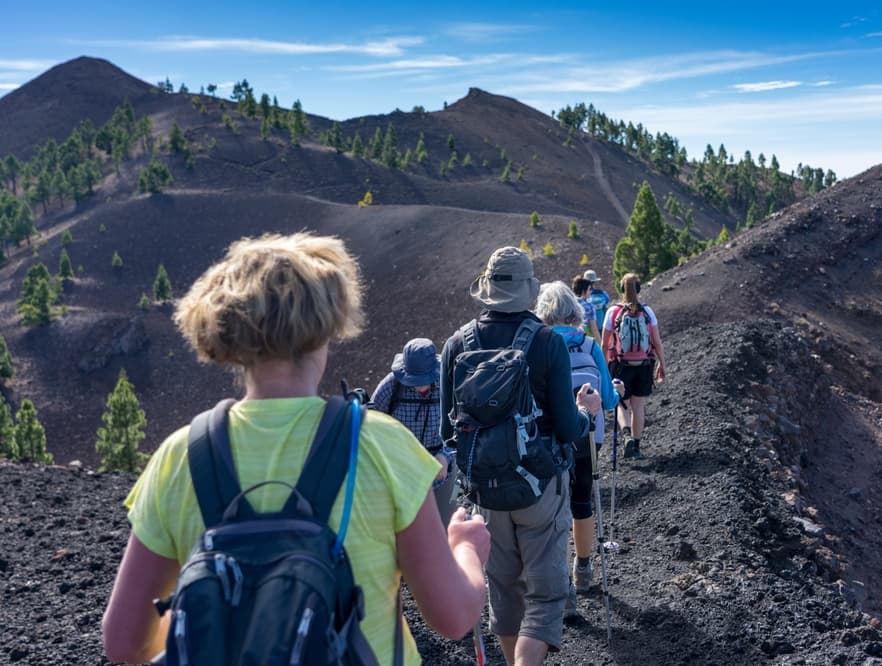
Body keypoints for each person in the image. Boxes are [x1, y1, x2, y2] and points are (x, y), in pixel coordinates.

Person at [102, 232, 490, 665]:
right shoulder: (379, 445)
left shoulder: (179, 457)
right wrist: (467, 547)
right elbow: (453, 617)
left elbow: (123, 643)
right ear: (326, 324)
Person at [440, 246, 601, 666]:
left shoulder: (457, 344)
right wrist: (587, 413)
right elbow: (568, 428)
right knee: (545, 598)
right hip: (540, 488)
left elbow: (446, 432)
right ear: (529, 292)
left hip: (485, 494)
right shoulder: (547, 343)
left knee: (505, 595)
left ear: (488, 290)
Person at [533, 281, 623, 618]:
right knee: (581, 501)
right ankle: (583, 569)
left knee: (553, 508)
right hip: (587, 436)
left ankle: (563, 589)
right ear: (575, 310)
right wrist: (615, 388)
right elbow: (610, 401)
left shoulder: (538, 345)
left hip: (549, 438)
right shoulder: (588, 344)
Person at [371, 337, 456, 525]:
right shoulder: (391, 386)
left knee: (444, 527)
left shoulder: (448, 384)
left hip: (440, 471)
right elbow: (371, 426)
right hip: (401, 473)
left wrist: (446, 456)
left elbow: (463, 429)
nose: (418, 385)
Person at [600, 273, 666, 460]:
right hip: (644, 365)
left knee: (622, 404)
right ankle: (636, 447)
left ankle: (627, 435)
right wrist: (662, 364)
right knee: (639, 406)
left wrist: (604, 367)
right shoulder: (647, 312)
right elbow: (657, 341)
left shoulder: (612, 312)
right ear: (638, 289)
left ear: (621, 289)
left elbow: (605, 344)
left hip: (620, 365)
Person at [571, 274, 601, 340]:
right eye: (589, 289)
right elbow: (594, 329)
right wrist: (601, 345)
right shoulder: (588, 306)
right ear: (583, 291)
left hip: (571, 337)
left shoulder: (570, 303)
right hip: (586, 339)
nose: (591, 291)